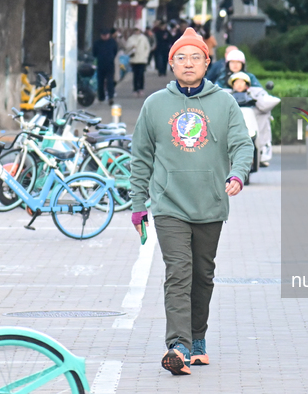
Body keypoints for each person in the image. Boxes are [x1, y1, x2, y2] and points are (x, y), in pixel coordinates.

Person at [129, 27, 253, 376]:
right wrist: (139, 204)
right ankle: (179, 345)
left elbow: (243, 145)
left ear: (206, 62)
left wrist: (238, 174)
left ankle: (198, 339)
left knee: (203, 275)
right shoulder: (155, 105)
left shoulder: (224, 102)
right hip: (169, 204)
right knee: (178, 272)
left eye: (195, 57)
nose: (188, 63)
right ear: (171, 63)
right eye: (181, 57)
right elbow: (140, 157)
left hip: (211, 203)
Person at [92, 29, 118, 105]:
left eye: (106, 35)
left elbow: (115, 51)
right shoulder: (97, 43)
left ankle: (110, 96)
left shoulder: (112, 42)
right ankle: (101, 97)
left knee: (110, 81)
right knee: (100, 81)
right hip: (100, 64)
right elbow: (94, 53)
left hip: (110, 64)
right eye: (103, 35)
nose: (105, 37)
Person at [126, 28, 151, 97]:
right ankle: (135, 88)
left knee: (141, 74)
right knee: (135, 75)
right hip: (134, 59)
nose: (137, 31)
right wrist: (131, 47)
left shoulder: (143, 38)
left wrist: (145, 55)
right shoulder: (131, 39)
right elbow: (127, 47)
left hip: (142, 59)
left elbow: (147, 48)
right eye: (135, 30)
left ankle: (141, 88)